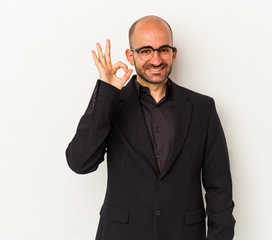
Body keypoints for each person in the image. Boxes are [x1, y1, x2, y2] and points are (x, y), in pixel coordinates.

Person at [65, 15, 235, 240]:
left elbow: (219, 188)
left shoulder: (202, 108)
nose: (156, 60)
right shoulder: (112, 104)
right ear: (130, 55)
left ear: (174, 54)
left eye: (163, 50)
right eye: (145, 51)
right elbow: (80, 162)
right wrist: (106, 90)